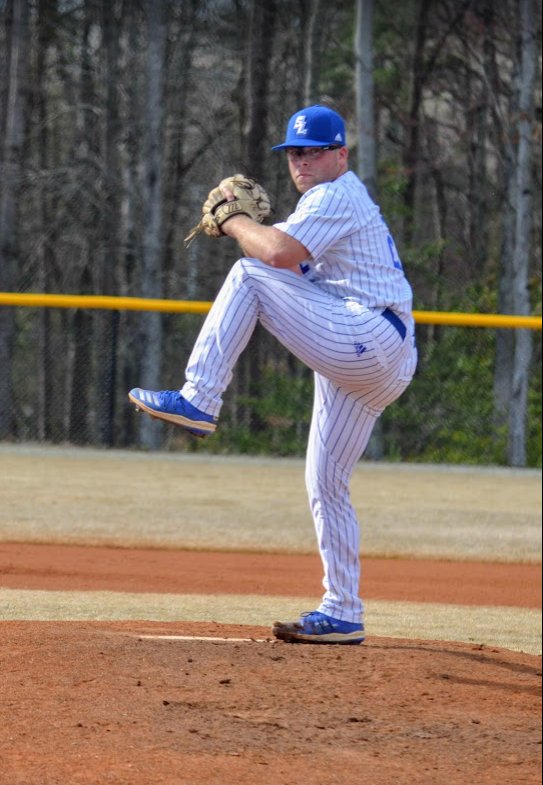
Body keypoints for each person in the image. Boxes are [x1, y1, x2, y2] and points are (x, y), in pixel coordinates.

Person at [129, 104, 417, 645]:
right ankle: (343, 610)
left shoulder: (337, 194)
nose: (302, 161)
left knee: (249, 275)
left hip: (370, 337)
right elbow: (285, 250)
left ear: (340, 155)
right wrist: (253, 230)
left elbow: (276, 254)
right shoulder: (321, 207)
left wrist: (236, 221)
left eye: (313, 151)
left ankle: (199, 401)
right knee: (325, 482)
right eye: (294, 153)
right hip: (374, 354)